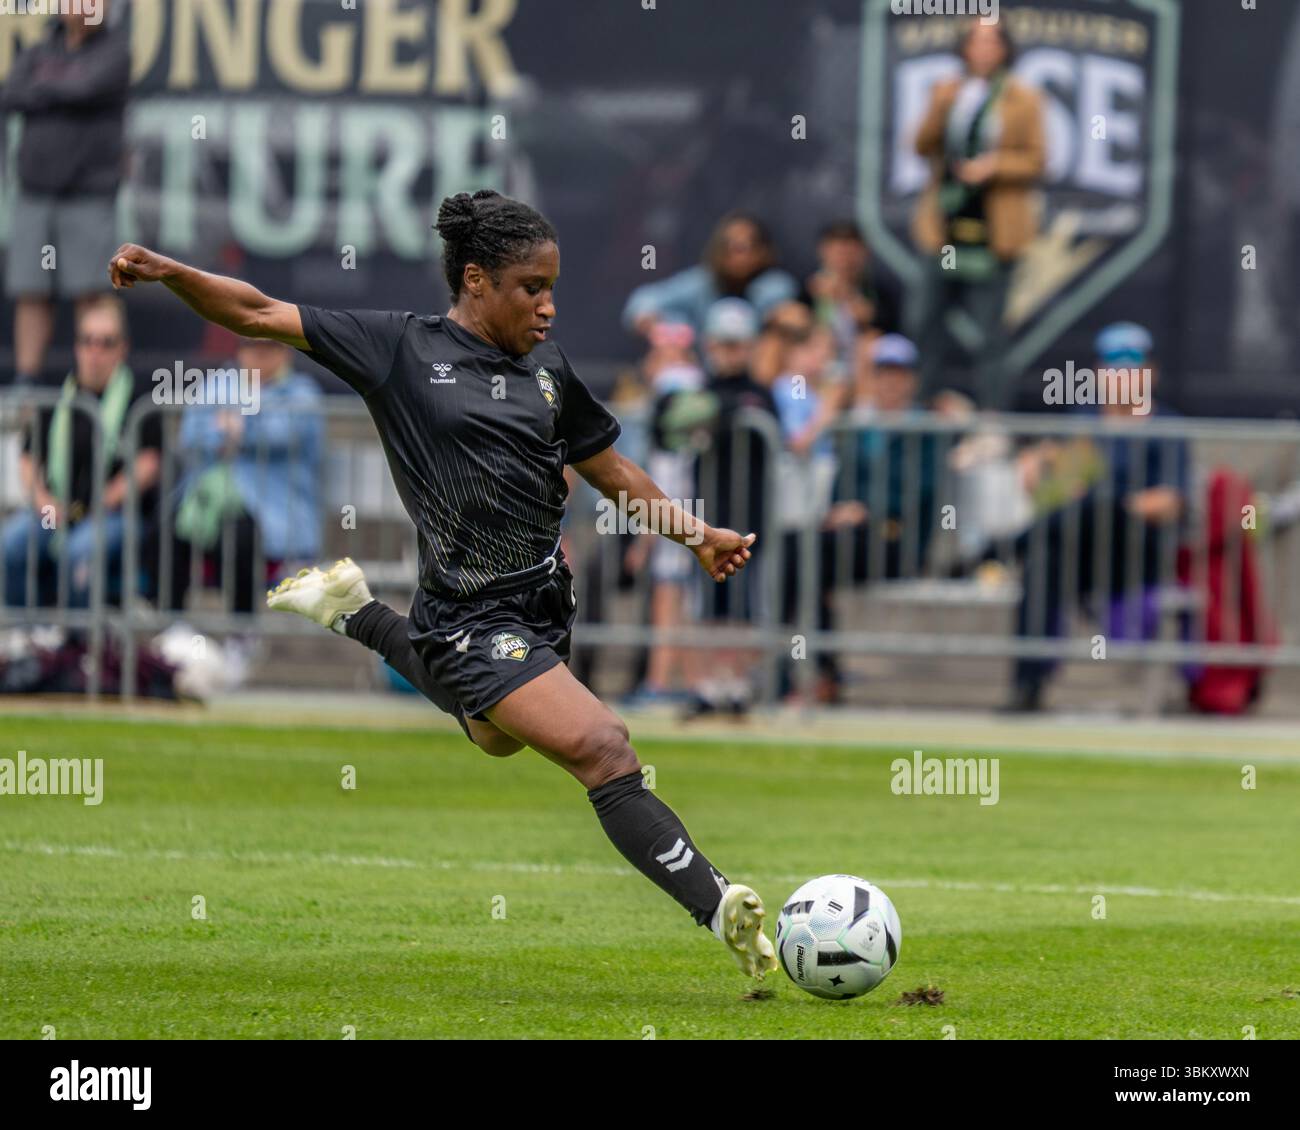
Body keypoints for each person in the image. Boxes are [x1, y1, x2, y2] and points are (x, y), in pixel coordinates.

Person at [107, 190, 778, 981]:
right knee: (603, 745)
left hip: (543, 603)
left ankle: (358, 614)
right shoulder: (398, 349)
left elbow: (611, 470)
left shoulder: (550, 369)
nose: (549, 306)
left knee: (495, 737)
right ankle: (720, 902)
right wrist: (165, 271)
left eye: (553, 287)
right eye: (531, 287)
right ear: (475, 281)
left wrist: (694, 535)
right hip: (467, 613)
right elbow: (256, 312)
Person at [1006, 323, 1190, 712]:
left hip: (1136, 552)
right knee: (1042, 561)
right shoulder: (1081, 420)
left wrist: (1119, 504)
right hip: (1080, 549)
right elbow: (1052, 490)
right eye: (1114, 366)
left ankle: (1004, 546)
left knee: (1101, 503)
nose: (1122, 376)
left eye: (1131, 366)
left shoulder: (1167, 426)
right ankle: (1027, 685)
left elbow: (1170, 501)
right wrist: (1037, 465)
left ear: (1149, 373)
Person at [909, 19, 1045, 410]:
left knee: (991, 334)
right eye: (976, 41)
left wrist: (994, 165)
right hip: (945, 231)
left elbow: (1038, 160)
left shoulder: (1023, 97)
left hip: (993, 233)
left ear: (1005, 49)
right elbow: (921, 145)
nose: (983, 49)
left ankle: (991, 416)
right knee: (925, 322)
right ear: (964, 48)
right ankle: (921, 408)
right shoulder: (948, 91)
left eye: (992, 41)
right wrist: (941, 103)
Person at [2, 0, 129, 386]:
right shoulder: (39, 50)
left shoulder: (115, 51)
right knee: (31, 291)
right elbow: (10, 94)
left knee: (91, 292)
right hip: (35, 194)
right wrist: (61, 81)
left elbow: (85, 86)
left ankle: (95, 389)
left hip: (88, 196)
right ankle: (27, 390)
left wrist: (45, 85)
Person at [3, 296, 160, 608]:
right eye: (87, 341)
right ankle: (30, 634)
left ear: (122, 348)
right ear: (77, 346)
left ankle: (77, 641)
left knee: (80, 550)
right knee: (11, 545)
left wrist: (106, 500)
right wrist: (44, 502)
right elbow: (28, 458)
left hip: (114, 514)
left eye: (106, 342)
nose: (95, 351)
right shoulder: (59, 393)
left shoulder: (139, 396)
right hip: (56, 511)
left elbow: (148, 463)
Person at [150, 338, 324, 614]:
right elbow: (191, 434)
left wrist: (239, 429)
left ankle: (240, 633)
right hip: (208, 502)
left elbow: (283, 433)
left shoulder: (302, 392)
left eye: (268, 347)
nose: (258, 355)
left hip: (276, 519)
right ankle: (172, 629)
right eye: (250, 346)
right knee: (166, 529)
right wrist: (229, 431)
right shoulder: (219, 383)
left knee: (239, 536)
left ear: (284, 353)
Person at [622, 212, 797, 343]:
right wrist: (651, 320)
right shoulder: (702, 282)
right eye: (727, 246)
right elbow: (645, 299)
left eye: (742, 247)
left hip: (759, 380)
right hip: (706, 376)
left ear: (762, 251)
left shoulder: (776, 286)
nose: (733, 254)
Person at [798, 220, 901, 363]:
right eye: (838, 252)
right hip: (819, 356)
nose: (844, 259)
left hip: (858, 359)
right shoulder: (808, 289)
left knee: (870, 341)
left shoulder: (877, 290)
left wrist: (845, 295)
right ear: (823, 252)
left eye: (850, 252)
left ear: (864, 253)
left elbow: (884, 325)